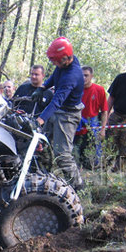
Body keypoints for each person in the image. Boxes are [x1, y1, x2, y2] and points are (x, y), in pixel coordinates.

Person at [34, 37, 85, 190]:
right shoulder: (65, 62)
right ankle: (43, 176)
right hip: (59, 109)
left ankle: (78, 187)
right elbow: (55, 75)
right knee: (40, 143)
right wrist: (42, 87)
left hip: (68, 115)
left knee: (62, 155)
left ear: (65, 59)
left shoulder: (72, 75)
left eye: (55, 61)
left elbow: (57, 101)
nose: (54, 64)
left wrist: (41, 119)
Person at [74, 66, 109, 169]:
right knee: (74, 146)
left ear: (91, 76)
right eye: (81, 75)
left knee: (96, 146)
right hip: (76, 119)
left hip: (92, 120)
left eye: (86, 75)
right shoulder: (74, 89)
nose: (83, 78)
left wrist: (103, 129)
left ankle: (96, 166)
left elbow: (104, 111)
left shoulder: (99, 90)